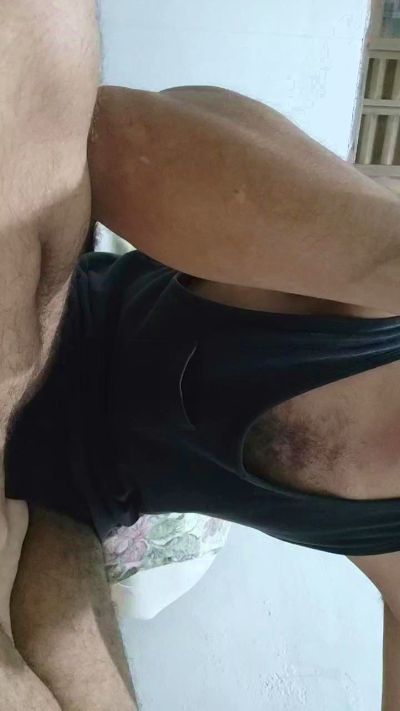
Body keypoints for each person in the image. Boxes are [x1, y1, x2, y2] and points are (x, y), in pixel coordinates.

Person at [3, 2, 400, 710]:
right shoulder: (379, 287)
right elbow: (112, 139)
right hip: (47, 317)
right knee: (44, 26)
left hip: (71, 507)